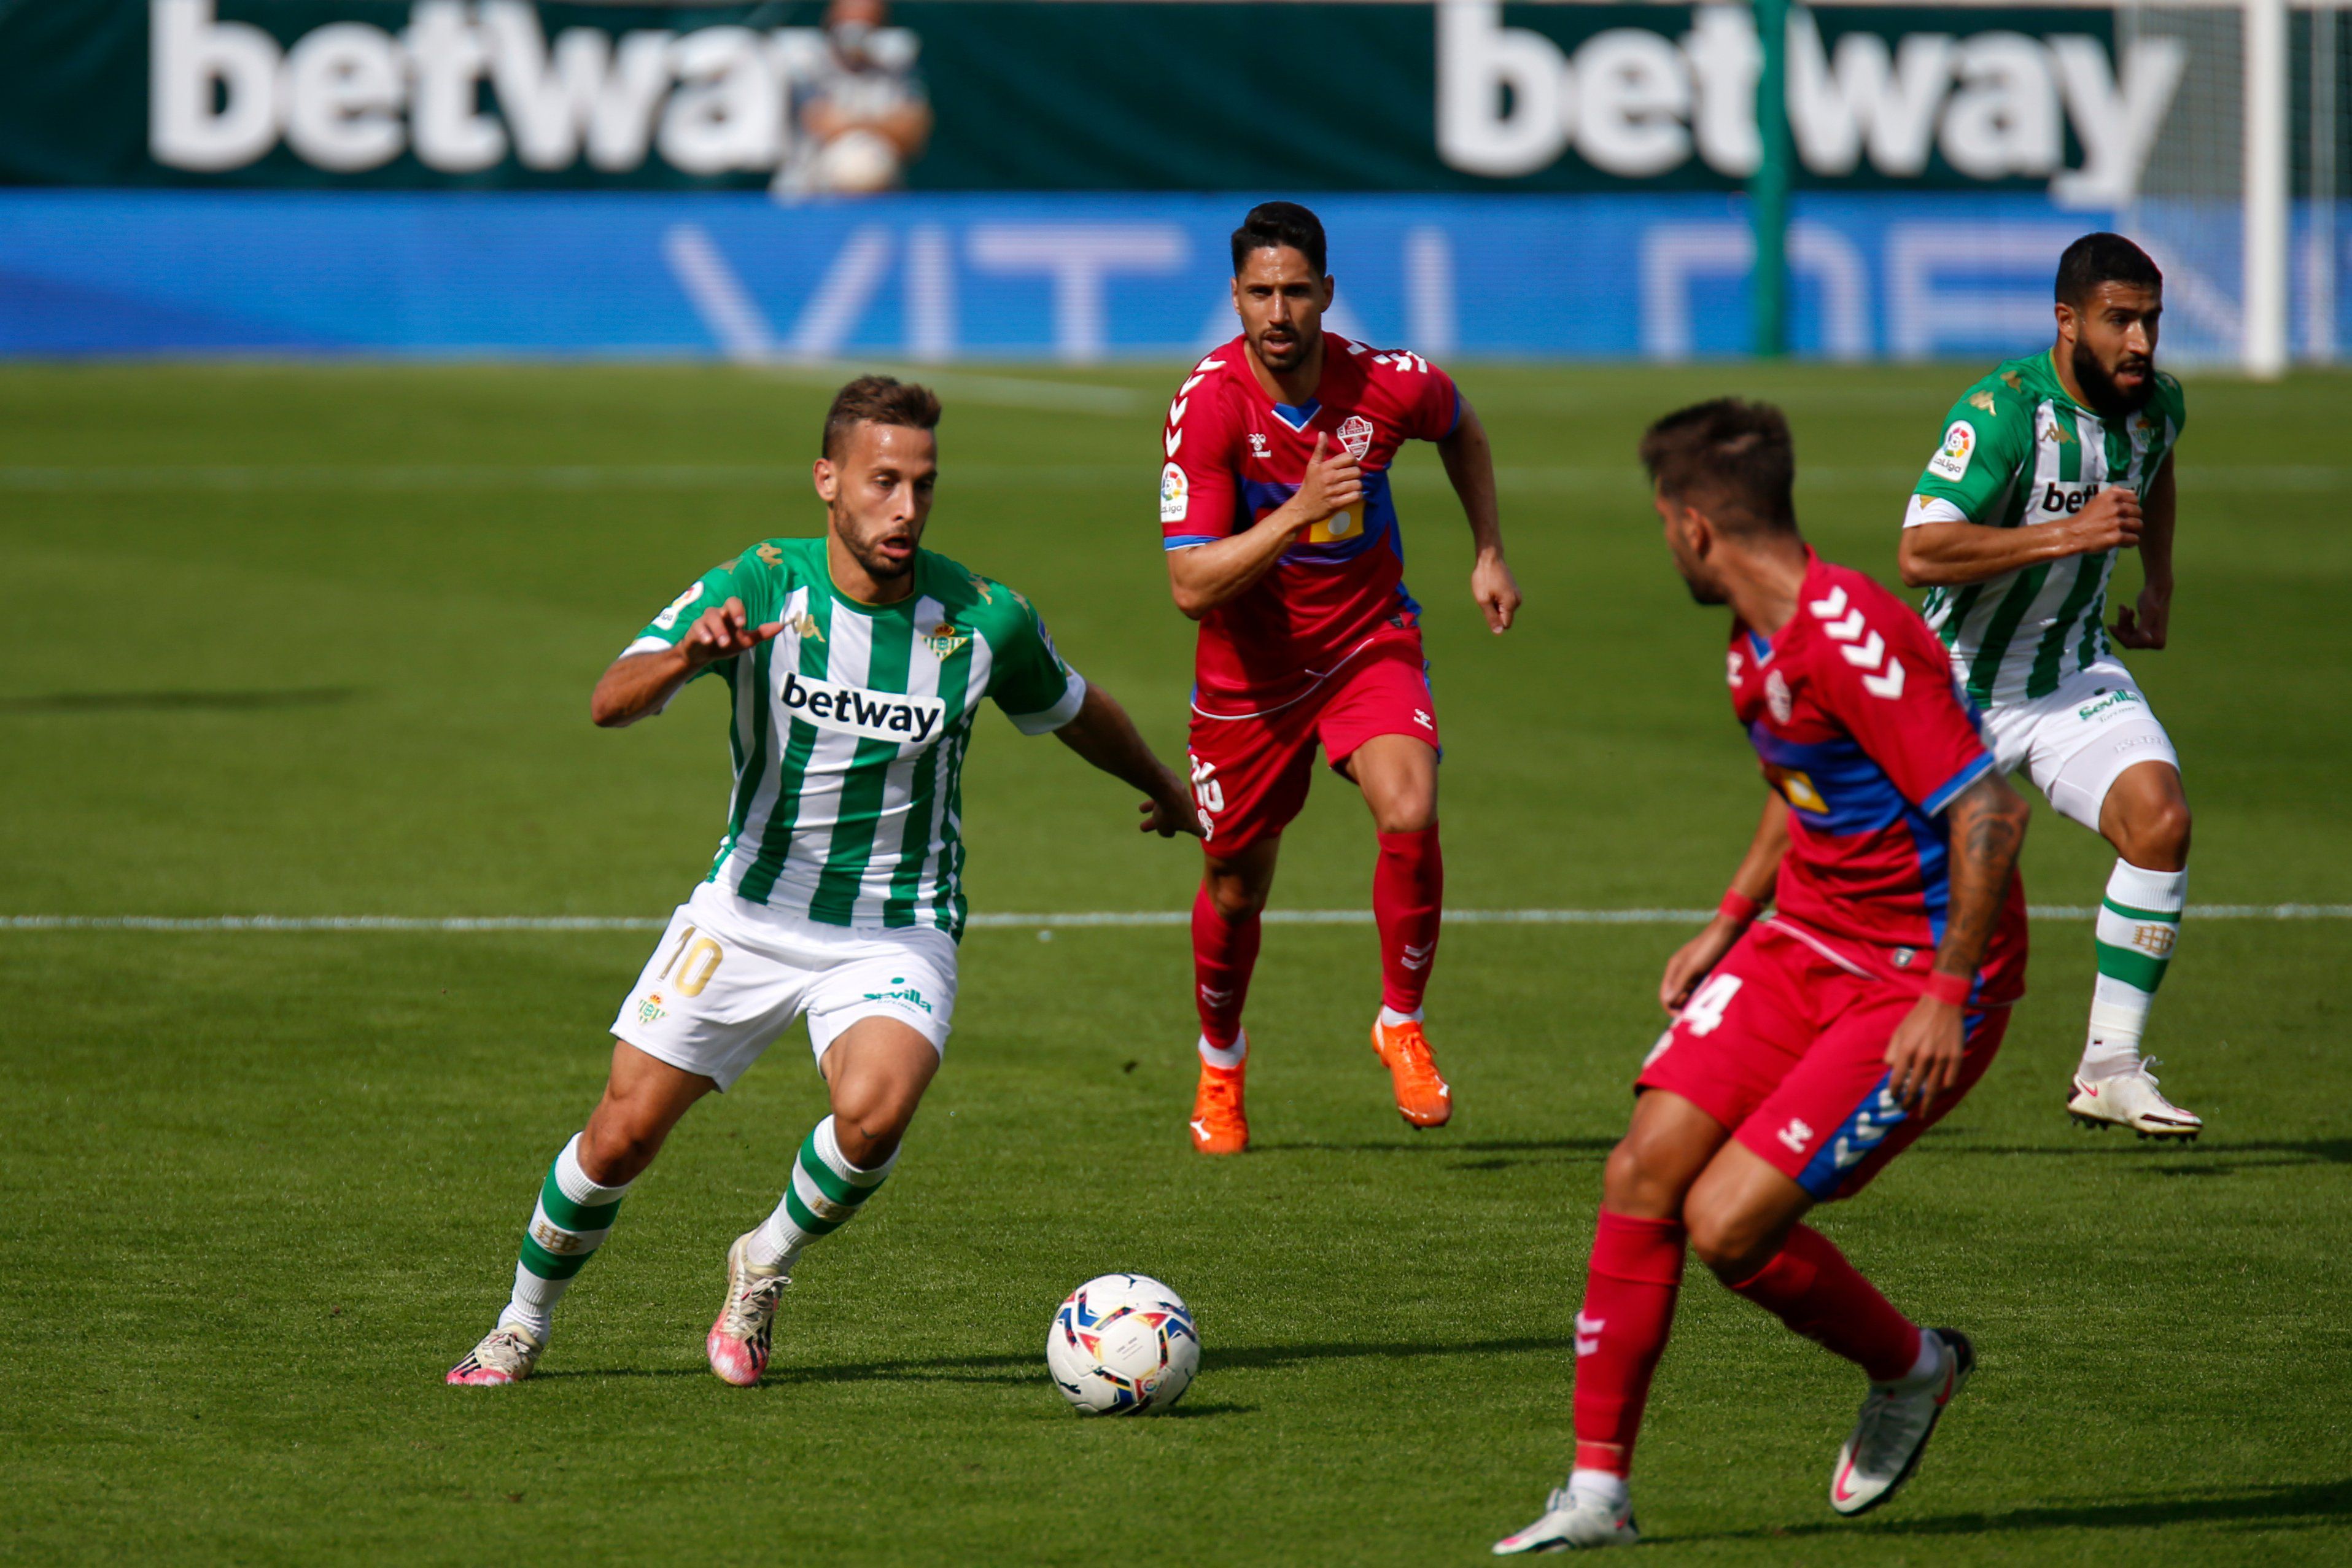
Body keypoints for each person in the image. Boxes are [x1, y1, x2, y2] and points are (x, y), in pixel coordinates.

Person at [448, 376, 1198, 1388]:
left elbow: (1074, 706)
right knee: (619, 1137)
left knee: (876, 1113)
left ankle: (762, 1261)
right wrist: (684, 662)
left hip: (896, 927)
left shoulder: (983, 618)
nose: (904, 507)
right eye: (882, 481)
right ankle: (520, 1322)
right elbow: (607, 700)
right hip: (748, 910)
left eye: (922, 485)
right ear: (827, 480)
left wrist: (1164, 784)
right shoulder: (762, 584)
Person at [1495, 400, 2032, 1551]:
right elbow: (1810, 785)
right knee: (1642, 1166)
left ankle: (1913, 1366)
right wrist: (1728, 921)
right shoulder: (1756, 636)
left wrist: (1944, 990)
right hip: (1803, 940)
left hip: (1920, 975)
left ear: (1692, 527)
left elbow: (1989, 810)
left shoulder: (1850, 636)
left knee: (1728, 1225)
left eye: (1660, 522)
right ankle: (1598, 1493)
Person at [1159, 200, 1520, 1155]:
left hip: (1366, 641)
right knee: (1235, 885)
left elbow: (1462, 427)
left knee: (1408, 806)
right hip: (1249, 674)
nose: (1278, 312)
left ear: (1326, 292)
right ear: (1233, 297)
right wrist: (1295, 512)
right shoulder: (1207, 405)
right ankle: (1221, 1061)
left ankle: (1399, 1020)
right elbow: (1189, 585)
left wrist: (1487, 550)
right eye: (1259, 293)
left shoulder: (1388, 382)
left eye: (1295, 291)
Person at [1899, 233, 2199, 1139]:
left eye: (2149, 319)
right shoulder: (2000, 412)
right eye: (2118, 321)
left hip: (2068, 673)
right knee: (1867, 893)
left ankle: (2108, 1063)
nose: (2139, 342)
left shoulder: (2157, 406)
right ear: (2066, 321)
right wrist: (2066, 536)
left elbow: (2155, 471)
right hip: (1950, 688)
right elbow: (1918, 551)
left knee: (2160, 821)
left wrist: (2157, 583)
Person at [775, 0, 932, 197]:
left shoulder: (896, 60)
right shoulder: (805, 58)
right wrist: (883, 124)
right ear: (832, 18)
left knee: (865, 159)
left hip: (882, 197)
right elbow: (821, 121)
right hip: (807, 194)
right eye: (850, 16)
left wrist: (852, 123)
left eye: (867, 18)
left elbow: (912, 131)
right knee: (851, 160)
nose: (857, 28)